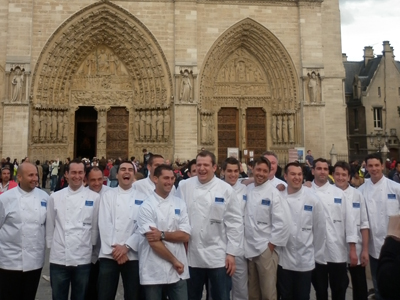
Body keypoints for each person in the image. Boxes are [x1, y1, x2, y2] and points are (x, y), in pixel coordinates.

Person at [176, 150, 243, 300]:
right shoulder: (184, 186)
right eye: (199, 165)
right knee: (192, 296)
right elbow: (176, 215)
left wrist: (231, 253)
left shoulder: (225, 189)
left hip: (218, 255)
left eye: (206, 165)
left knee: (220, 296)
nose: (201, 168)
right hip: (191, 255)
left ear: (214, 167)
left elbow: (235, 223)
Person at [46, 159, 100, 300]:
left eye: (80, 172)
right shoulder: (55, 197)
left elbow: (94, 227)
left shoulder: (95, 198)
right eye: (73, 172)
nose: (77, 176)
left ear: (84, 175)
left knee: (80, 296)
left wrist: (91, 248)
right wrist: (53, 247)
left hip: (82, 256)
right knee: (58, 296)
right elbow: (50, 225)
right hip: (59, 257)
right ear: (66, 174)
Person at [137, 164, 191, 300]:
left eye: (172, 178)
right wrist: (174, 261)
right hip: (154, 269)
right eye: (166, 178)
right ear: (155, 179)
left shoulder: (180, 203)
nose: (170, 182)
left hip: (178, 272)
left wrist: (162, 234)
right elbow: (153, 242)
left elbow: (185, 235)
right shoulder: (147, 206)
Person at [309, 158, 358, 300]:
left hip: (337, 250)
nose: (322, 172)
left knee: (339, 289)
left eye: (325, 169)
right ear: (313, 171)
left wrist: (353, 249)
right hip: (315, 252)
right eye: (319, 168)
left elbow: (350, 222)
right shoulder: (305, 191)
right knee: (320, 290)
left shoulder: (339, 193)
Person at [277, 162, 326, 300]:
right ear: (285, 176)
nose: (297, 177)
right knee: (285, 296)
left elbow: (320, 230)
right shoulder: (278, 197)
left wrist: (314, 254)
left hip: (305, 260)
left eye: (299, 174)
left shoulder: (313, 200)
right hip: (283, 260)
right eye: (293, 174)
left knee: (303, 296)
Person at [0, 163, 49, 300]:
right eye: (31, 175)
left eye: (36, 175)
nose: (35, 178)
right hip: (9, 261)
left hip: (35, 261)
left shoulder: (44, 197)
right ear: (19, 177)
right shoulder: (5, 199)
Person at [98, 161, 145, 300]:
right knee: (105, 295)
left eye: (130, 170)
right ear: (117, 174)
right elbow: (104, 223)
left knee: (133, 295)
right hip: (109, 254)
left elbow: (142, 226)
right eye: (123, 169)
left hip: (132, 254)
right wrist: (117, 250)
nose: (127, 172)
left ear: (133, 174)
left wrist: (127, 247)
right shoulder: (107, 195)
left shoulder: (142, 197)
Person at [244, 156, 289, 300]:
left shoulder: (274, 193)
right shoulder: (247, 189)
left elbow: (282, 223)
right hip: (250, 249)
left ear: (269, 172)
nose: (261, 173)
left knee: (268, 294)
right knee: (253, 293)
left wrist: (269, 247)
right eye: (258, 169)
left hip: (265, 251)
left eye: (265, 171)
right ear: (252, 169)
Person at [358, 153, 400, 300]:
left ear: (382, 166)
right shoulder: (361, 190)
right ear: (366, 167)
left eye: (377, 165)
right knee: (379, 285)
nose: (374, 169)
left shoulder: (396, 188)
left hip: (395, 246)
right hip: (374, 246)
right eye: (370, 165)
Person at [332, 161, 369, 300]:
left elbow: (364, 223)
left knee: (360, 285)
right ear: (333, 175)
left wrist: (365, 249)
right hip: (336, 249)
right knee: (339, 286)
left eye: (344, 175)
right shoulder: (327, 194)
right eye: (337, 174)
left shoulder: (357, 195)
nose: (340, 178)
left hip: (357, 248)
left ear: (349, 177)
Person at [221, 157, 248, 300]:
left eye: (236, 171)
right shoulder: (217, 188)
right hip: (219, 246)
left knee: (241, 289)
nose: (233, 174)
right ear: (223, 171)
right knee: (219, 288)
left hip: (239, 247)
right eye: (229, 171)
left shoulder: (246, 189)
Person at [85, 167, 111, 300]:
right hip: (87, 251)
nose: (97, 183)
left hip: (107, 250)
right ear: (86, 180)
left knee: (105, 290)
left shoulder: (111, 194)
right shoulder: (82, 195)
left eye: (100, 179)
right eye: (93, 180)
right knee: (88, 287)